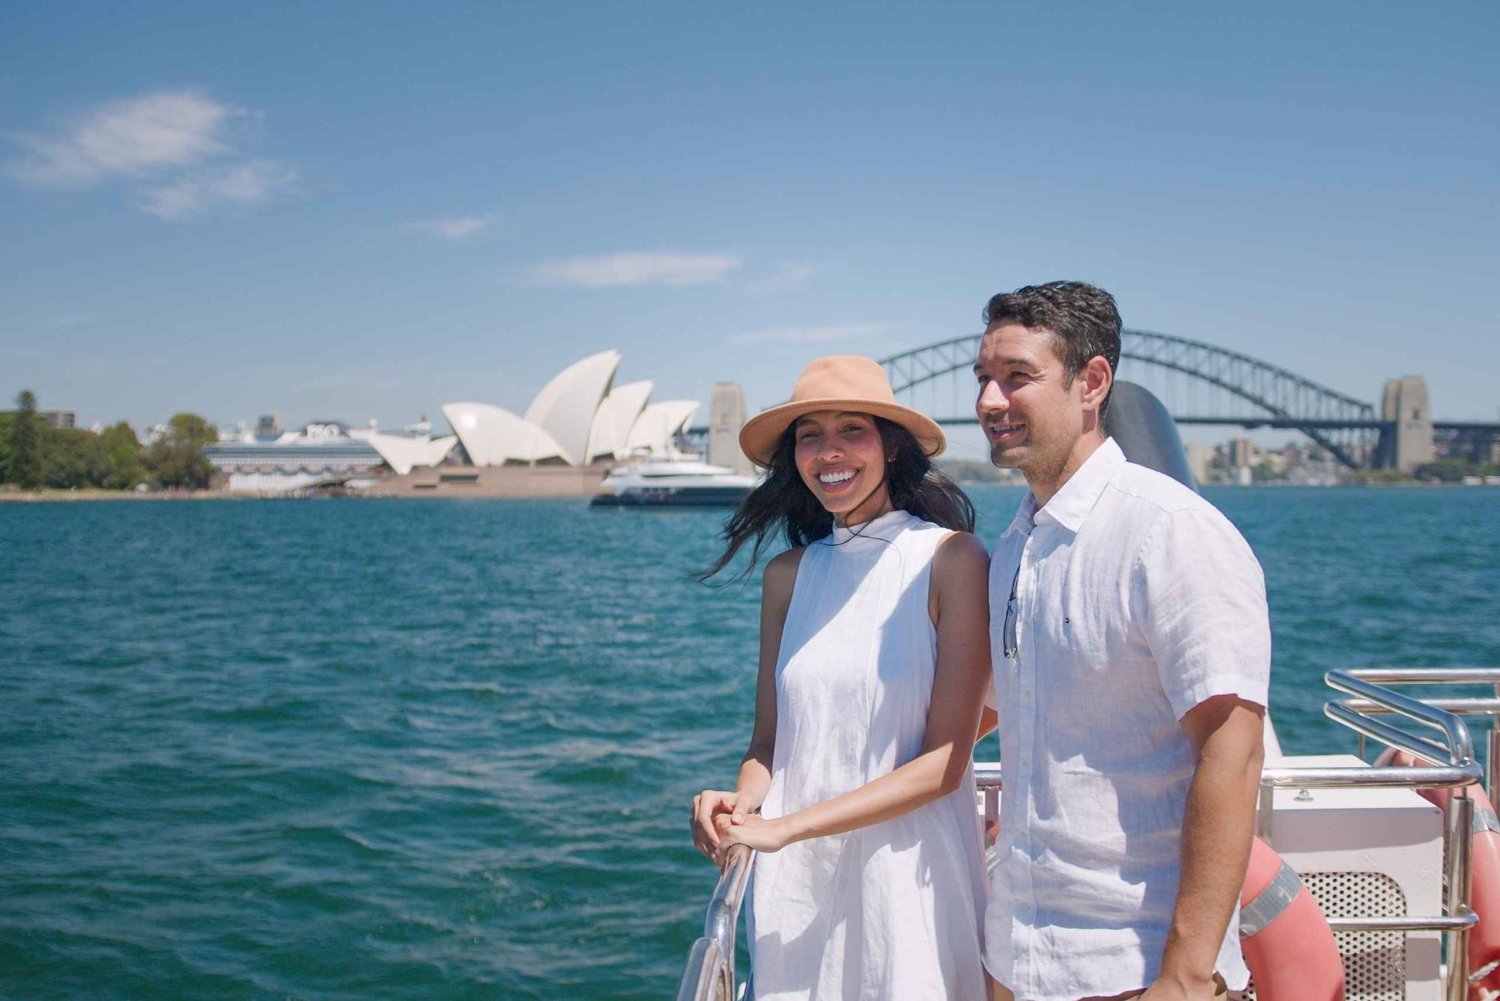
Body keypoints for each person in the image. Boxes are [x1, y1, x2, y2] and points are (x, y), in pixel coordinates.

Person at [973, 282, 1270, 1001]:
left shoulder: (1170, 532)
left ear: (1093, 383)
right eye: (982, 377)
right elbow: (1001, 707)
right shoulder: (1015, 546)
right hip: (1017, 954)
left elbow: (1232, 750)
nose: (987, 400)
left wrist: (1186, 976)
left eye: (1016, 377)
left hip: (1130, 963)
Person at [691, 354, 993, 1000]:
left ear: (890, 446)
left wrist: (785, 827)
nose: (829, 451)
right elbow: (768, 745)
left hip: (906, 882)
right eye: (810, 435)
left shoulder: (950, 560)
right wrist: (741, 802)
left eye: (852, 429)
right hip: (798, 885)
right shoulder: (788, 576)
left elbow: (944, 764)